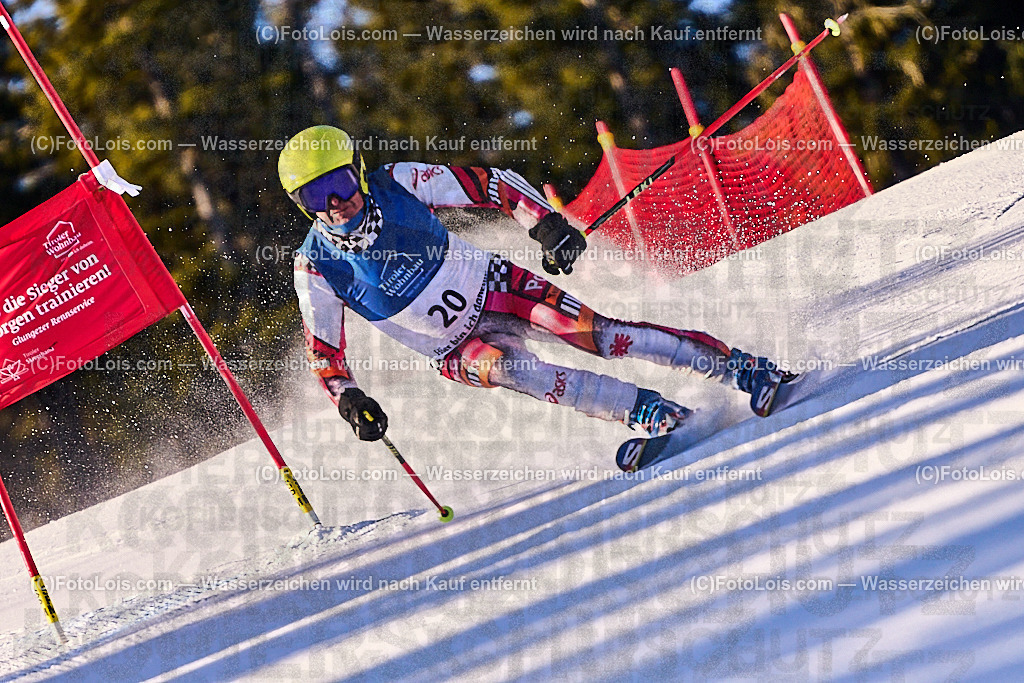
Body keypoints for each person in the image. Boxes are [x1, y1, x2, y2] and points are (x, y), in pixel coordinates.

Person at [279, 125, 790, 444]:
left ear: (359, 173)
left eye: (339, 183)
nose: (333, 203)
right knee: (527, 374)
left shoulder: (398, 183)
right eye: (315, 195)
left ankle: (741, 368)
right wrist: (350, 400)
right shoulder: (316, 267)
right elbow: (325, 359)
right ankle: (650, 412)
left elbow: (495, 184)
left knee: (603, 337)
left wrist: (546, 225)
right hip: (457, 350)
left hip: (498, 287)